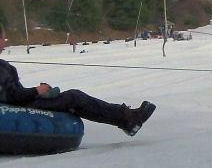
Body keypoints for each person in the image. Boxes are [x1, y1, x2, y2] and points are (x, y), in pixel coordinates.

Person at [0, 59, 156, 137]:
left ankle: (125, 118)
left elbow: (14, 93)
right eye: (2, 38)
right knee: (74, 97)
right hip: (22, 107)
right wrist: (36, 90)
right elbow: (13, 97)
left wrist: (39, 91)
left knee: (73, 97)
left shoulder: (4, 66)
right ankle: (126, 118)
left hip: (24, 102)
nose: (4, 42)